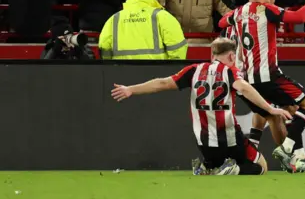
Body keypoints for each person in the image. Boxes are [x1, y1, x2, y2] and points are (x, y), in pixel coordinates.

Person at [111, 38, 292, 175]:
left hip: (204, 142)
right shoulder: (230, 71)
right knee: (262, 167)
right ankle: (231, 169)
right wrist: (270, 109)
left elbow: (161, 83)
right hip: (230, 139)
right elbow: (243, 87)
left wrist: (131, 90)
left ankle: (208, 166)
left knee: (218, 160)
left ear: (211, 55)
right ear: (231, 56)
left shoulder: (193, 70)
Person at [218, 0, 305, 173]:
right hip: (268, 75)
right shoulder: (267, 10)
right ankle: (287, 148)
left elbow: (222, 23)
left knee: (283, 112)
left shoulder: (237, 13)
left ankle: (298, 158)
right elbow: (300, 17)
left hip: (246, 80)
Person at [99, 0, 187, 60]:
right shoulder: (163, 17)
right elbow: (177, 48)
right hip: (158, 74)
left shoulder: (114, 19)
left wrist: (111, 65)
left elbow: (104, 46)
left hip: (122, 74)